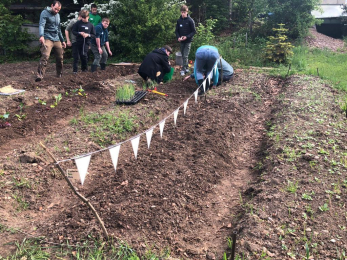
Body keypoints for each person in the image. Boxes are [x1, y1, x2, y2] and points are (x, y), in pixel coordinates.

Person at [36, 1, 66, 82]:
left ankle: (59, 74)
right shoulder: (44, 13)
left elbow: (59, 29)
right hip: (47, 37)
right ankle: (40, 75)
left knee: (60, 57)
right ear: (51, 6)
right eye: (55, 9)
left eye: (58, 10)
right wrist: (41, 36)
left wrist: (62, 40)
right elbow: (41, 25)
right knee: (45, 56)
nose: (56, 11)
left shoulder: (58, 15)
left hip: (56, 38)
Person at [175, 4, 196, 76]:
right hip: (181, 41)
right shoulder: (179, 21)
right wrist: (178, 37)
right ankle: (186, 67)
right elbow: (176, 31)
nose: (183, 14)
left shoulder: (190, 21)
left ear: (187, 12)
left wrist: (187, 37)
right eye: (182, 12)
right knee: (183, 55)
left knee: (185, 55)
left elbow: (194, 31)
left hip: (188, 41)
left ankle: (183, 69)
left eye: (184, 12)